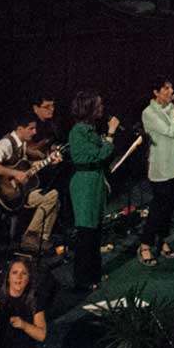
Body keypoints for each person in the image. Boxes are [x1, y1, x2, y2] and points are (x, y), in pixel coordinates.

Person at [0, 114, 61, 254]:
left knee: (55, 198)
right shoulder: (5, 144)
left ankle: (41, 239)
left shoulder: (22, 143)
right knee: (52, 196)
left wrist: (49, 161)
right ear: (20, 129)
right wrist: (14, 174)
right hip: (6, 195)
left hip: (21, 191)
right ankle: (30, 236)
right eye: (31, 129)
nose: (35, 132)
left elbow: (25, 167)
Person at [67, 91, 115, 290]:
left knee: (95, 231)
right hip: (84, 185)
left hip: (94, 182)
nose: (102, 109)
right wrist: (110, 136)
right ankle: (82, 279)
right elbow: (99, 155)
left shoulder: (90, 129)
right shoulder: (78, 131)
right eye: (99, 105)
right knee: (86, 232)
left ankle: (93, 273)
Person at [139, 78, 174, 266]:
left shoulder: (169, 109)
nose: (170, 91)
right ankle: (145, 245)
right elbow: (171, 131)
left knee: (170, 205)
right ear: (156, 92)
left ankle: (162, 239)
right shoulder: (148, 113)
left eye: (171, 87)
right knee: (159, 206)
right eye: (165, 88)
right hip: (160, 167)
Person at [0, 259, 46, 348]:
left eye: (24, 273)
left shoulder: (34, 299)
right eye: (14, 273)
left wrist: (24, 325)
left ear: (28, 279)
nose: (19, 277)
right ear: (8, 278)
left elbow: (41, 336)